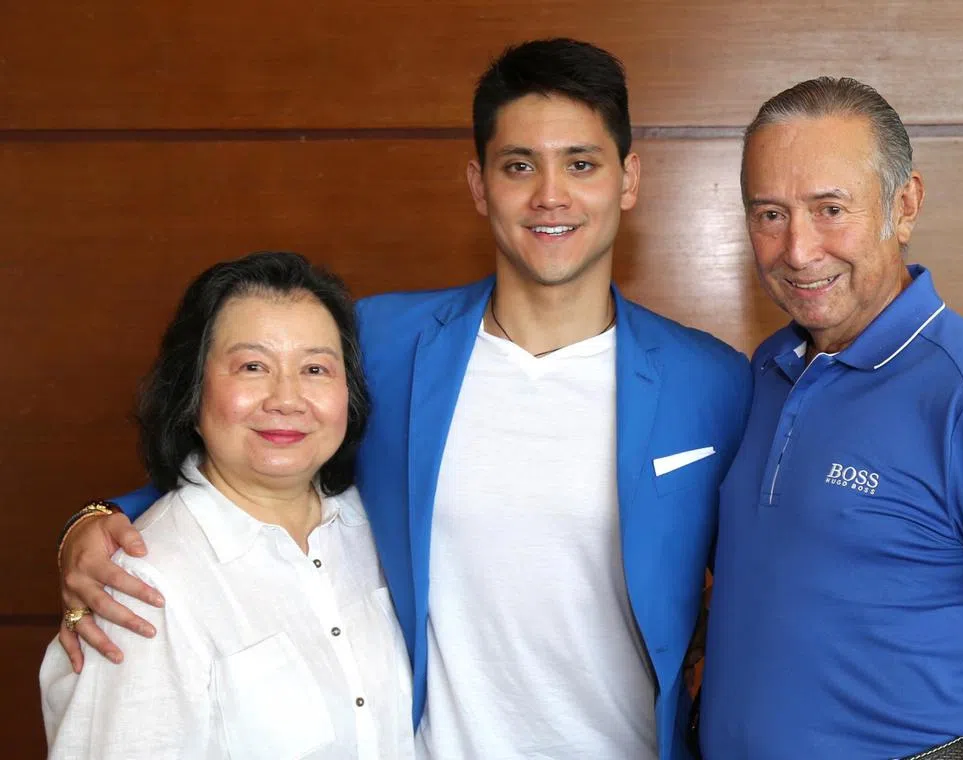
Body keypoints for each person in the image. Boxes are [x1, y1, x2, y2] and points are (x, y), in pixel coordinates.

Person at [54, 40, 752, 760]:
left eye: (581, 163)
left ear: (628, 178)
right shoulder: (382, 341)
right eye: (519, 165)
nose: (551, 194)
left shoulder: (714, 382)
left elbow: (773, 564)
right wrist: (105, 521)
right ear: (479, 185)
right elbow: (260, 453)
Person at [698, 77, 963, 759]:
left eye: (830, 209)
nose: (798, 250)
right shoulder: (770, 368)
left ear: (905, 204)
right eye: (769, 213)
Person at [40, 252, 414, 758]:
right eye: (253, 366)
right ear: (192, 392)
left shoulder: (380, 527)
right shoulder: (140, 584)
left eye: (315, 368)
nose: (287, 398)